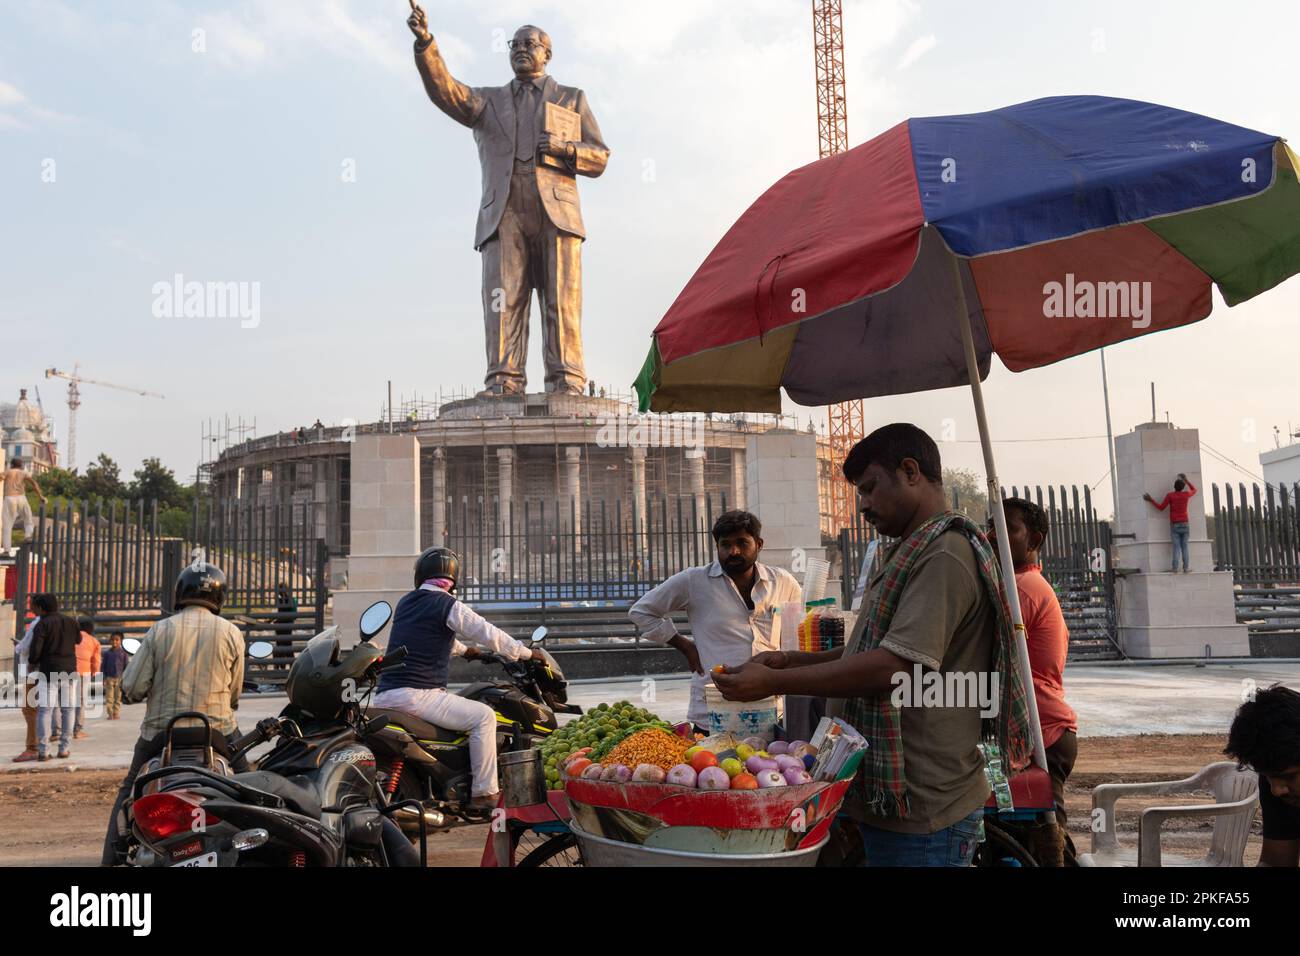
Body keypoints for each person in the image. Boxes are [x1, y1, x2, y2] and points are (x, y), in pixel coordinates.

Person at [714, 424, 1032, 867]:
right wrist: (791, 659)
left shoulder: (943, 555)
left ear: (910, 471)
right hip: (898, 799)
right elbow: (872, 646)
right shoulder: (910, 550)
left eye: (869, 488)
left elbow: (894, 667)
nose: (862, 504)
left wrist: (777, 679)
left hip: (924, 807)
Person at [407, 5, 610, 395]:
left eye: (529, 43)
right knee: (503, 300)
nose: (520, 49)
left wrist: (568, 149)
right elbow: (446, 90)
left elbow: (599, 156)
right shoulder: (487, 102)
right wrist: (426, 44)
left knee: (561, 301)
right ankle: (504, 378)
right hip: (504, 212)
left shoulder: (571, 98)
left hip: (557, 213)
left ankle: (566, 378)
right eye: (514, 44)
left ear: (547, 54)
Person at [371, 547, 548, 811]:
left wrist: (467, 652)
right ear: (453, 577)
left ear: (420, 574)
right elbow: (488, 632)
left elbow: (426, 637)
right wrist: (524, 652)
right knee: (484, 716)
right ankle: (484, 793)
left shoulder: (407, 602)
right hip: (418, 695)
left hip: (387, 694)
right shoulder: (447, 604)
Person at [102, 562, 245, 865]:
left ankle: (112, 858)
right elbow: (234, 693)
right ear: (220, 597)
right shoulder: (232, 633)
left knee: (130, 788)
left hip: (160, 735)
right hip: (218, 732)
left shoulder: (160, 630)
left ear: (180, 593)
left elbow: (131, 688)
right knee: (250, 783)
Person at [628, 510, 801, 730]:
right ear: (717, 547)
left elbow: (795, 635)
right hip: (715, 712)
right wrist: (685, 646)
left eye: (742, 543)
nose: (734, 551)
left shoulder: (783, 583)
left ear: (759, 544)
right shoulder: (694, 581)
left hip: (771, 709)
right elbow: (641, 612)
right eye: (725, 545)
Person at [988, 496, 1078, 865]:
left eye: (1009, 529)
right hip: (1038, 731)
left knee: (1047, 843)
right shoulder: (1023, 585)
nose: (994, 535)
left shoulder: (1021, 590)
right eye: (991, 526)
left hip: (1043, 735)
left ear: (1034, 539)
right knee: (1024, 834)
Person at [1225, 685, 1300, 867]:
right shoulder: (1281, 787)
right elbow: (1276, 863)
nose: (1276, 790)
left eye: (1289, 776)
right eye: (1267, 777)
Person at [27, 593, 80, 761]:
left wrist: (32, 662)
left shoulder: (42, 625)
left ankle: (44, 751)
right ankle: (64, 748)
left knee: (45, 711)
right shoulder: (71, 622)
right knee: (68, 710)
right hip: (69, 670)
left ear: (42, 608)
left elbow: (36, 650)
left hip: (48, 671)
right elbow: (78, 640)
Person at [1143, 472, 1196, 573]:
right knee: (1184, 547)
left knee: (1176, 547)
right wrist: (1187, 480)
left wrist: (1151, 500)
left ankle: (1175, 568)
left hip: (1175, 525)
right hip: (1185, 524)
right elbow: (1194, 490)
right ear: (1183, 487)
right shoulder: (1186, 495)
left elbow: (1161, 508)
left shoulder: (1170, 496)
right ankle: (1186, 568)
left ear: (1174, 487)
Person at [10, 600, 41, 762]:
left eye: (33, 605)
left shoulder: (38, 623)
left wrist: (18, 646)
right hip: (49, 671)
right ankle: (42, 745)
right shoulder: (59, 622)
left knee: (30, 709)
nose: (31, 608)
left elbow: (25, 648)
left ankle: (33, 746)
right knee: (45, 710)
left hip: (33, 672)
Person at [2, 458, 46, 554]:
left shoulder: (8, 472)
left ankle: (6, 550)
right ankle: (28, 536)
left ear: (11, 465)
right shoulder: (23, 473)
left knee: (7, 525)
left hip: (9, 498)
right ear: (21, 465)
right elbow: (34, 483)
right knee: (28, 518)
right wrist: (40, 496)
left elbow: (1, 477)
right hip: (21, 498)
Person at [69, 618, 102, 739]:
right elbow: (96, 660)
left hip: (68, 670)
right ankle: (77, 730)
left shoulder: (71, 638)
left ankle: (59, 730)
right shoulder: (94, 641)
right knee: (81, 701)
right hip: (84, 672)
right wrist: (94, 672)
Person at [101, 632, 129, 720]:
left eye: (117, 640)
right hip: (109, 678)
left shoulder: (123, 653)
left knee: (118, 697)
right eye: (112, 640)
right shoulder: (107, 654)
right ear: (110, 641)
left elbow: (126, 666)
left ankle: (116, 713)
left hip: (120, 678)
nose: (114, 642)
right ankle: (110, 714)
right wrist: (104, 678)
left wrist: (125, 678)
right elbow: (103, 666)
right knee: (109, 697)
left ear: (121, 641)